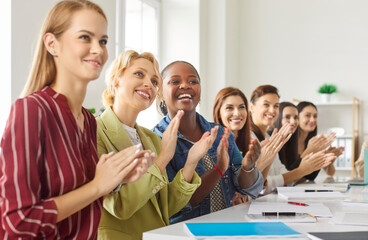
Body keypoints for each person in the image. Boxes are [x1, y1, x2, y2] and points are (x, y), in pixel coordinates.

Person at [0, 1, 153, 239]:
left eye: (103, 41)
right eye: (85, 37)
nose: (98, 50)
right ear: (52, 44)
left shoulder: (88, 121)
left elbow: (81, 202)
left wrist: (116, 180)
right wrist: (97, 186)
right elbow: (18, 222)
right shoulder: (30, 111)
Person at [96, 51, 217, 239]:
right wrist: (162, 160)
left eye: (154, 81)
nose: (148, 84)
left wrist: (191, 161)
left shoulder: (150, 138)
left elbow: (166, 206)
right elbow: (119, 206)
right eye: (139, 74)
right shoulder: (94, 132)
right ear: (116, 80)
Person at [153, 61, 263, 224]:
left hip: (227, 228)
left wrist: (248, 167)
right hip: (188, 233)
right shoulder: (156, 139)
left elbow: (245, 187)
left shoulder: (219, 132)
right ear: (160, 93)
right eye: (175, 81)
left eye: (193, 81)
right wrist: (218, 169)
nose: (185, 85)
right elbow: (180, 204)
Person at [249, 85, 335, 194]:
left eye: (276, 106)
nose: (272, 110)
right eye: (266, 104)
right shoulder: (251, 138)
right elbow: (261, 184)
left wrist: (307, 167)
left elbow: (283, 174)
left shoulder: (269, 137)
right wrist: (301, 170)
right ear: (251, 107)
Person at [297, 101, 343, 177]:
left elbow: (331, 173)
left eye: (315, 116)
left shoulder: (314, 142)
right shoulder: (290, 142)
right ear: (297, 117)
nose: (312, 120)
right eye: (307, 115)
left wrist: (328, 158)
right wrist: (309, 150)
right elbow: (291, 173)